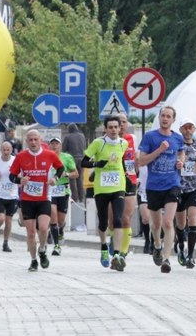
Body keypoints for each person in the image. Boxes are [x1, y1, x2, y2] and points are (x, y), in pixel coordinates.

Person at [137, 106, 185, 273]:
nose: (165, 119)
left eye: (168, 116)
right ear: (159, 117)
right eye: (163, 115)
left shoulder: (178, 138)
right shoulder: (150, 137)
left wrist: (181, 162)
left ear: (173, 120)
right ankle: (157, 245)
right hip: (153, 186)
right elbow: (141, 161)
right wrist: (159, 150)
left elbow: (181, 153)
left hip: (172, 184)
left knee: (167, 221)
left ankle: (166, 259)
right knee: (156, 224)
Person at [9, 129, 65, 271]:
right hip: (27, 199)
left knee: (44, 228)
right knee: (31, 233)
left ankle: (42, 250)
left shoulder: (50, 155)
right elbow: (12, 176)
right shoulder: (21, 156)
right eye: (30, 140)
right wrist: (20, 179)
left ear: (40, 141)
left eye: (36, 139)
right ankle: (34, 260)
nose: (33, 142)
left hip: (44, 198)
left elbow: (60, 168)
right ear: (26, 142)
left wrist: (55, 178)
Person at [82, 116, 129, 271]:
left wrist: (127, 175)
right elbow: (83, 162)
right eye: (111, 127)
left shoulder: (124, 143)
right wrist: (96, 164)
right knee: (102, 222)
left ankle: (116, 254)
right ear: (105, 129)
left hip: (118, 186)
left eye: (116, 127)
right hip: (102, 188)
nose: (114, 130)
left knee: (118, 219)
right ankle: (103, 247)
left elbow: (121, 161)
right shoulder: (98, 143)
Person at [176, 117, 196, 269]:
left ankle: (191, 256)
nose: (187, 131)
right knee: (181, 223)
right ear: (181, 130)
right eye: (185, 128)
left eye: (190, 127)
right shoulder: (176, 145)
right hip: (179, 188)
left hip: (195, 187)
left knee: (193, 218)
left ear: (194, 129)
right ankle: (180, 246)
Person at [48, 137, 79, 256]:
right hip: (50, 191)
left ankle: (60, 230)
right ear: (49, 145)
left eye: (57, 144)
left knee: (61, 221)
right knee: (53, 216)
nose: (54, 146)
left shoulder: (67, 157)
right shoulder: (45, 157)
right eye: (52, 144)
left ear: (60, 146)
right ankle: (56, 246)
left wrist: (66, 174)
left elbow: (76, 174)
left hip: (63, 191)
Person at [116, 113, 139, 258]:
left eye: (124, 122)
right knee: (114, 219)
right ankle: (115, 240)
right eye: (119, 122)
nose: (122, 125)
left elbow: (137, 157)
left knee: (126, 218)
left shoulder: (133, 139)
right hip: (113, 182)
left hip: (130, 180)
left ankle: (123, 252)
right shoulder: (107, 141)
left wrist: (136, 173)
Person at [63, 123, 87, 203]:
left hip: (71, 159)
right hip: (82, 159)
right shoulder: (82, 136)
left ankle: (74, 198)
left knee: (72, 178)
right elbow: (84, 147)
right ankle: (82, 198)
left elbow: (63, 149)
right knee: (80, 179)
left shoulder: (67, 137)